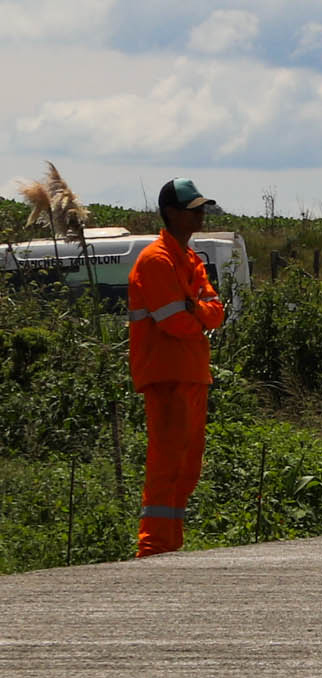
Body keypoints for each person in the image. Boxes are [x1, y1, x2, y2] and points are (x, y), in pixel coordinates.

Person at [126, 178, 227, 556]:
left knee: (186, 468)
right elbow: (175, 323)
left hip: (192, 374)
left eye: (202, 208)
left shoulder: (188, 259)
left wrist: (195, 309)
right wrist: (198, 313)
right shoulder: (156, 260)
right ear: (171, 213)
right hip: (166, 375)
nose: (201, 215)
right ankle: (152, 550)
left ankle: (169, 548)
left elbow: (214, 314)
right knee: (167, 465)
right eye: (194, 209)